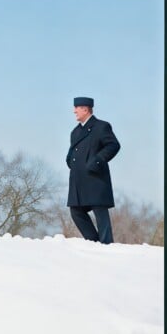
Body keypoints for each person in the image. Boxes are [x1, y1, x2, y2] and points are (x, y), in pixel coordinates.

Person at [66, 96, 121, 244]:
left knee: (100, 210)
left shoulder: (101, 126)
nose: (74, 111)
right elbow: (73, 151)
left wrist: (97, 160)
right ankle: (94, 242)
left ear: (85, 109)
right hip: (78, 179)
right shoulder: (75, 132)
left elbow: (113, 145)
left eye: (76, 108)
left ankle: (106, 244)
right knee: (76, 211)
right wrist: (69, 160)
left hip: (95, 176)